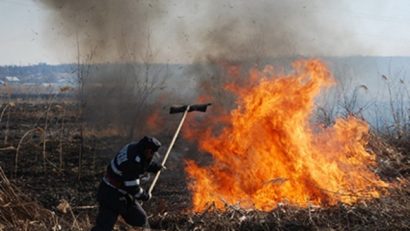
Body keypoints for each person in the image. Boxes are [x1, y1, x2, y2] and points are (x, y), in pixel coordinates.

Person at [91, 136, 163, 231]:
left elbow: (142, 162)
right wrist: (145, 196)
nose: (152, 155)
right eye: (152, 153)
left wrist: (154, 167)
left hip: (123, 194)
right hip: (110, 194)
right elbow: (133, 188)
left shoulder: (133, 147)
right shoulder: (133, 162)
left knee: (140, 219)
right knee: (104, 227)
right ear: (148, 150)